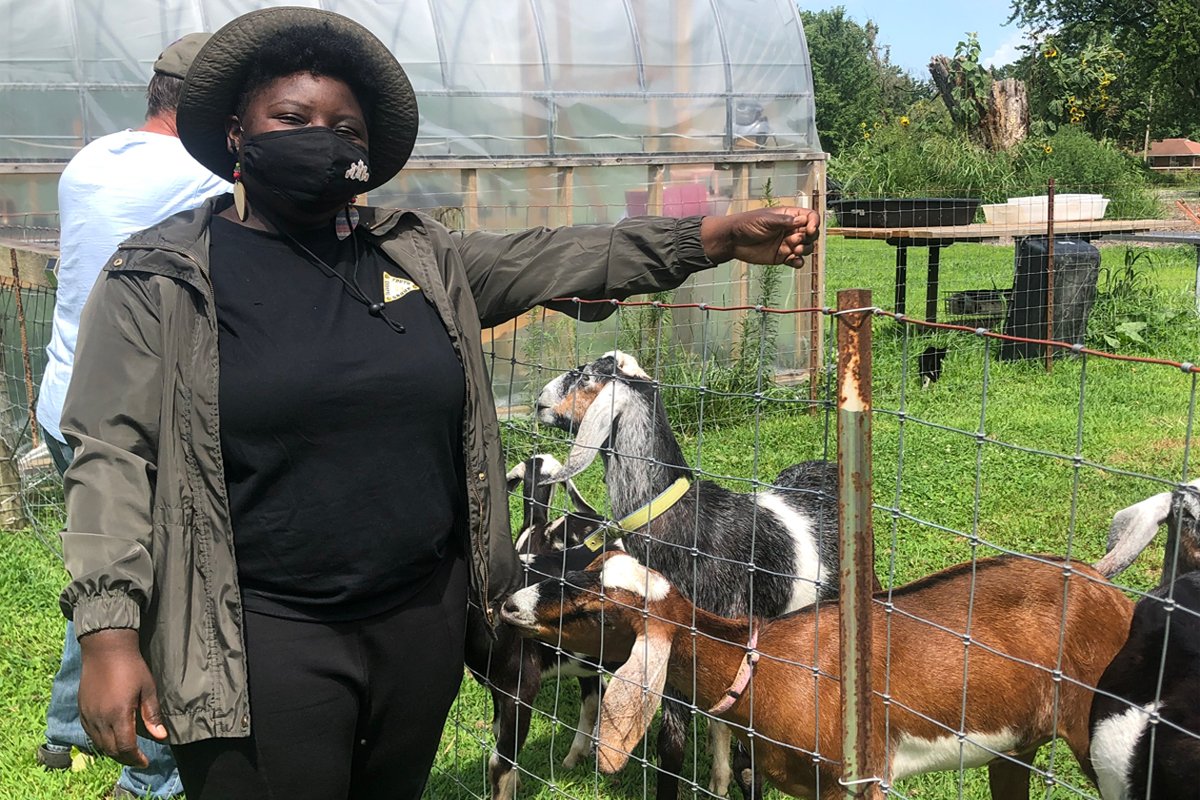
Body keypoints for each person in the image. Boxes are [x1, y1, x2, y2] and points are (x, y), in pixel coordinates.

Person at [57, 8, 820, 800]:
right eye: (291, 118)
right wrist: (110, 634)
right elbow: (110, 457)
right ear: (236, 134)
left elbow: (558, 255)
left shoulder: (418, 257)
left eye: (345, 129)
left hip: (418, 624)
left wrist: (712, 238)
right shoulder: (162, 279)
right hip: (260, 634)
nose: (322, 139)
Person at [35, 32, 227, 799]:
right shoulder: (201, 174)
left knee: (105, 568)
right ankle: (150, 777)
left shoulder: (90, 162)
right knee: (167, 597)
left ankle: (64, 730)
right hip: (134, 420)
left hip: (64, 403)